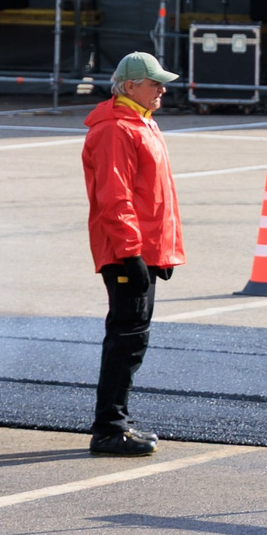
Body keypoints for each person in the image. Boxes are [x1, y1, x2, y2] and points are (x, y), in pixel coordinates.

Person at [82, 51, 186, 457]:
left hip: (139, 250)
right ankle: (109, 428)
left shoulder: (138, 121)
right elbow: (116, 197)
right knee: (126, 339)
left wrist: (158, 253)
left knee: (131, 338)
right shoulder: (116, 130)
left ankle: (114, 423)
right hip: (127, 251)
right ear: (129, 87)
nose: (162, 88)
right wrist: (131, 254)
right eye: (154, 82)